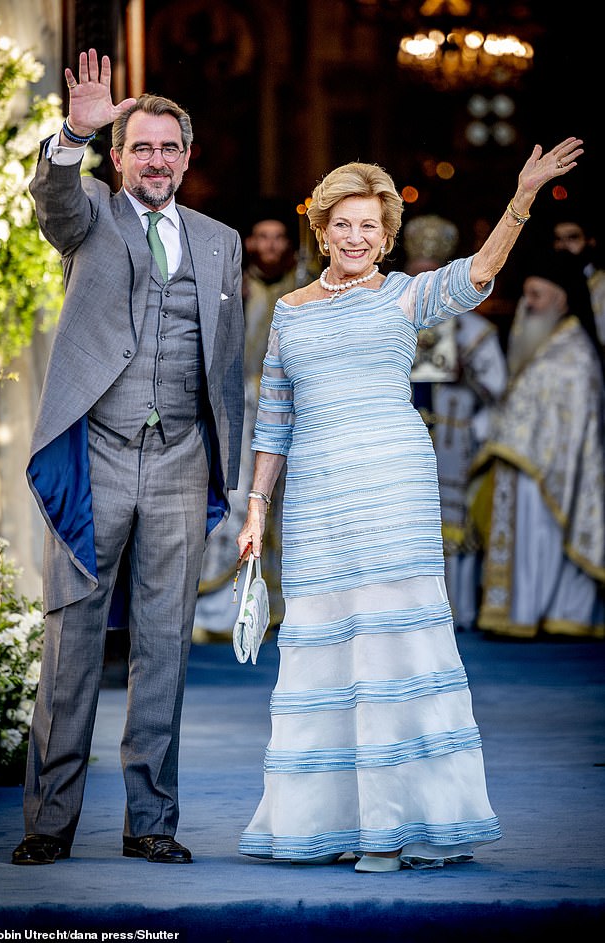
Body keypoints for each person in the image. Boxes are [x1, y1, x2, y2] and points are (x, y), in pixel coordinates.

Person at [235, 136, 584, 872]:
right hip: (320, 497)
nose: (355, 237)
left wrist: (522, 197)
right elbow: (274, 420)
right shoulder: (291, 314)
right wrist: (257, 508)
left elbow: (483, 272)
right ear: (321, 229)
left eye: (370, 226)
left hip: (395, 485)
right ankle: (330, 823)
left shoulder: (405, 294)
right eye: (343, 223)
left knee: (397, 646)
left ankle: (393, 827)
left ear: (387, 237)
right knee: (326, 647)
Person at [11, 49, 245, 866]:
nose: (154, 160)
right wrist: (74, 131)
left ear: (188, 156)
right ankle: (48, 822)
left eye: (168, 148)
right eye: (139, 146)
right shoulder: (93, 216)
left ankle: (152, 820)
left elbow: (227, 362)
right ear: (120, 156)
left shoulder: (222, 242)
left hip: (182, 456)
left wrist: (233, 473)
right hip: (100, 452)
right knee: (70, 641)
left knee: (164, 643)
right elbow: (52, 202)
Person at [469, 249, 605, 640]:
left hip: (549, 476)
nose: (528, 305)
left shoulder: (574, 354)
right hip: (524, 467)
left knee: (543, 544)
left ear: (561, 299)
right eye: (526, 295)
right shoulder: (545, 343)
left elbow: (573, 425)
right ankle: (524, 613)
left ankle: (548, 613)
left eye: (536, 296)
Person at [193, 206, 310, 636]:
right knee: (240, 498)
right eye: (262, 236)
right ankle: (220, 612)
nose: (271, 246)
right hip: (239, 409)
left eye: (278, 237)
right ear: (249, 242)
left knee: (291, 504)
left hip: (291, 409)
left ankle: (282, 607)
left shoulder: (304, 286)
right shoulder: (230, 286)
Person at [404, 215, 508, 631]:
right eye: (417, 275)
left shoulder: (475, 331)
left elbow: (500, 391)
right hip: (403, 435)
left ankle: (456, 611)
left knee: (452, 524)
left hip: (454, 439)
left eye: (434, 276)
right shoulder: (390, 317)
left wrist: (470, 376)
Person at [552, 212, 605, 349]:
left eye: (572, 237)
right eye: (558, 239)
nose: (563, 245)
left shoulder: (601, 283)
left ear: (589, 241)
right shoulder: (547, 284)